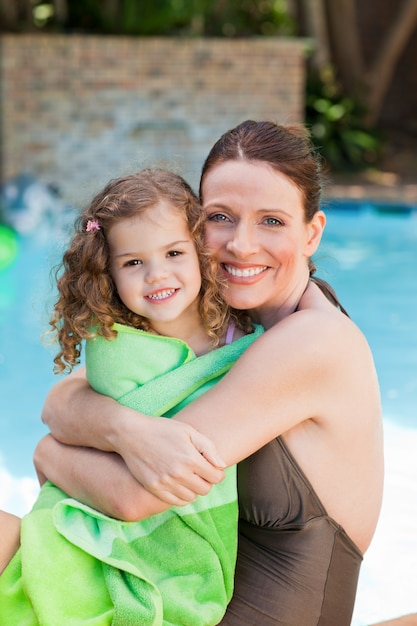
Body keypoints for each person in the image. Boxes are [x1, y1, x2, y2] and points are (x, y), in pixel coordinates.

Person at [35, 120, 385, 625]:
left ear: (311, 232)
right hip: (187, 596)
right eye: (222, 217)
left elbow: (134, 496)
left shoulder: (313, 341)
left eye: (271, 221)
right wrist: (125, 430)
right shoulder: (232, 321)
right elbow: (65, 399)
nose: (242, 245)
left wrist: (49, 451)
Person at [0, 167, 263, 625]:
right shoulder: (119, 348)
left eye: (174, 252)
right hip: (85, 529)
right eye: (133, 263)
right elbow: (63, 409)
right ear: (108, 273)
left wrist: (47, 453)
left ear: (202, 252)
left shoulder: (245, 348)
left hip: (163, 563)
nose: (156, 275)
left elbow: (130, 494)